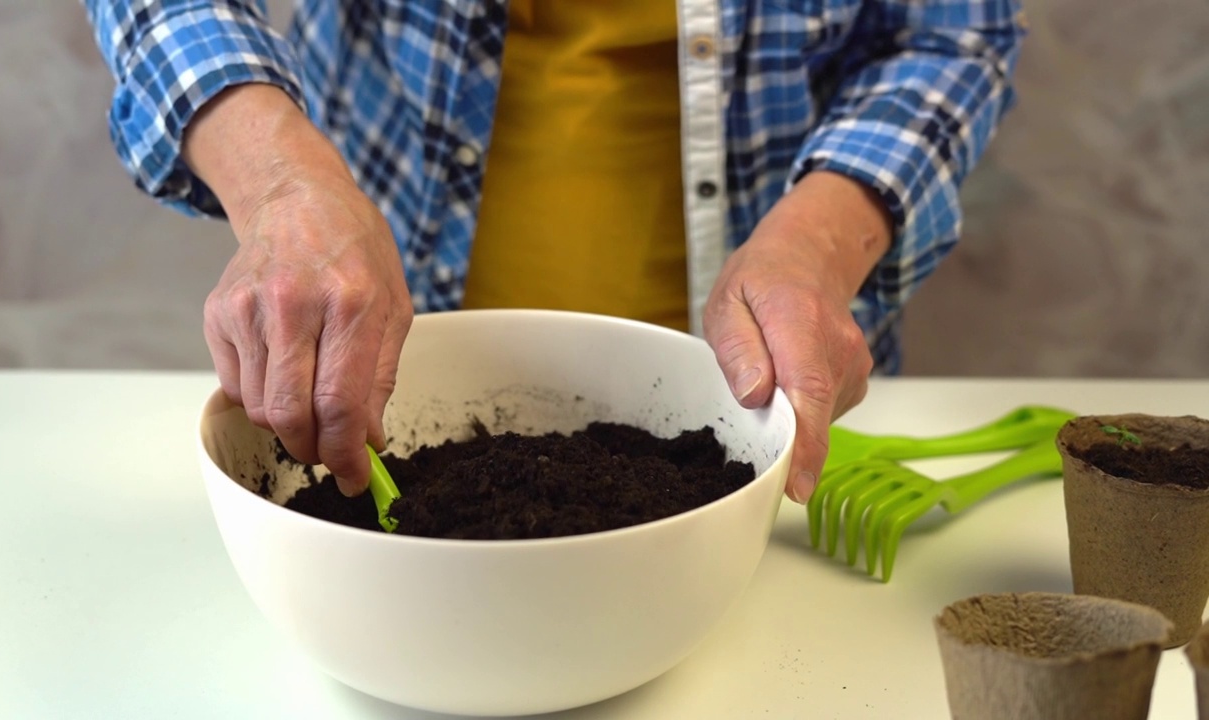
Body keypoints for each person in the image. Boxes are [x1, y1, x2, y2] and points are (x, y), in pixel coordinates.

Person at [83, 0, 1026, 504]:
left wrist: (817, 245)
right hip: (383, 350)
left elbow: (950, 30)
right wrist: (283, 185)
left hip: (760, 379)